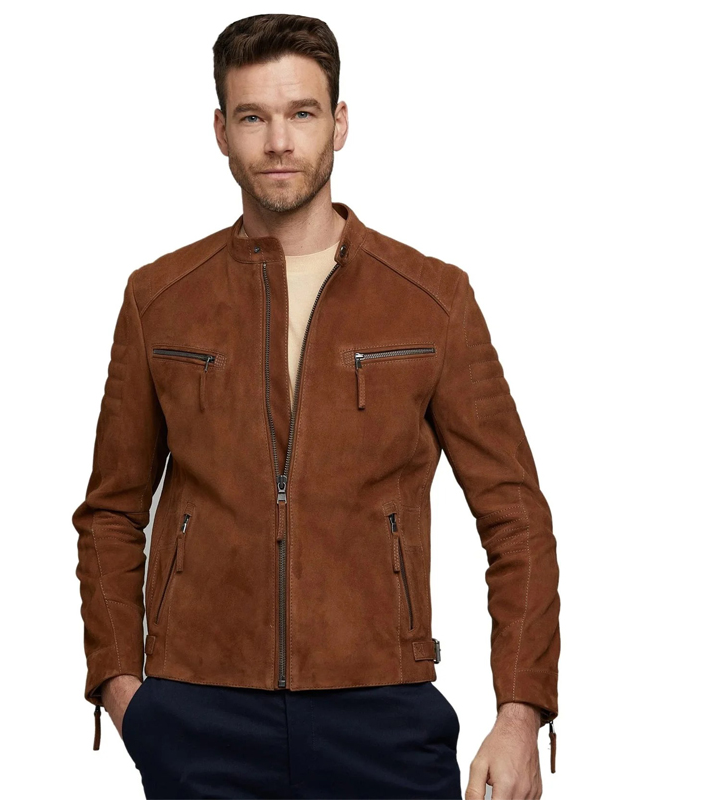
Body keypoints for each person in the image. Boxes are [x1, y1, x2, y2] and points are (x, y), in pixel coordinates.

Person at [72, 12, 561, 800]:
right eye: (252, 117)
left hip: (383, 709)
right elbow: (110, 513)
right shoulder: (160, 300)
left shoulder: (432, 300)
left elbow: (515, 516)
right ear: (220, 131)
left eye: (301, 113)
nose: (278, 142)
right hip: (200, 711)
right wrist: (124, 690)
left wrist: (520, 712)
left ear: (339, 123)